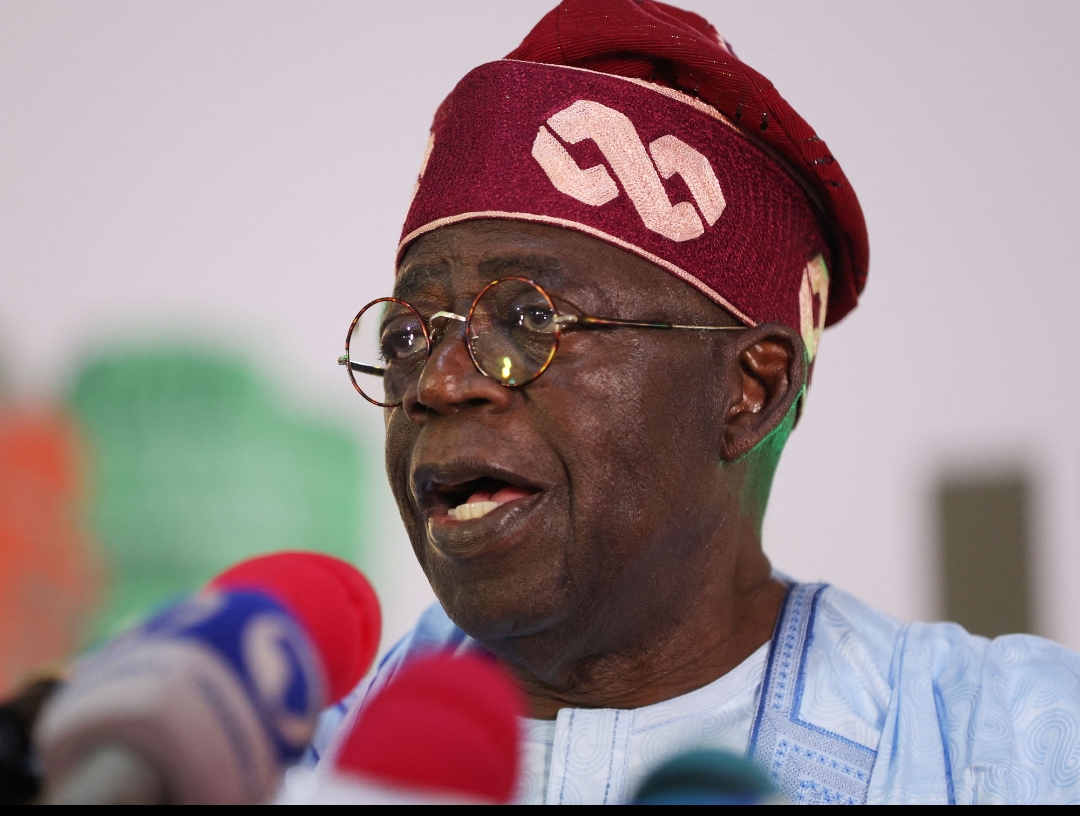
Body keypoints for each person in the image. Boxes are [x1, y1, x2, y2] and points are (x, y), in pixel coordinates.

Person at [310, 0, 1080, 804]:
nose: (437, 383)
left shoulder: (1010, 750)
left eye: (531, 319)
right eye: (407, 336)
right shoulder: (286, 764)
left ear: (752, 390)